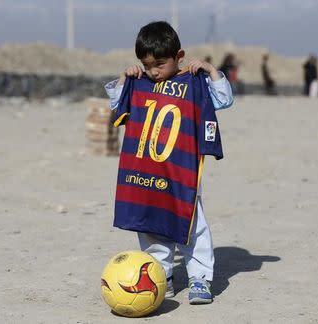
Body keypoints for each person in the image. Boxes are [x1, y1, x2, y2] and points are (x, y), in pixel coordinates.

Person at [104, 21, 233, 305]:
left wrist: (211, 71)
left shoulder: (194, 81)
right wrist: (126, 78)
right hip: (146, 175)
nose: (153, 71)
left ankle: (200, 277)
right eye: (147, 65)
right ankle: (161, 275)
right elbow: (116, 103)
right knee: (151, 225)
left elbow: (224, 99)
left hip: (182, 173)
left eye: (160, 64)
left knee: (191, 223)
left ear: (180, 56)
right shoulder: (140, 83)